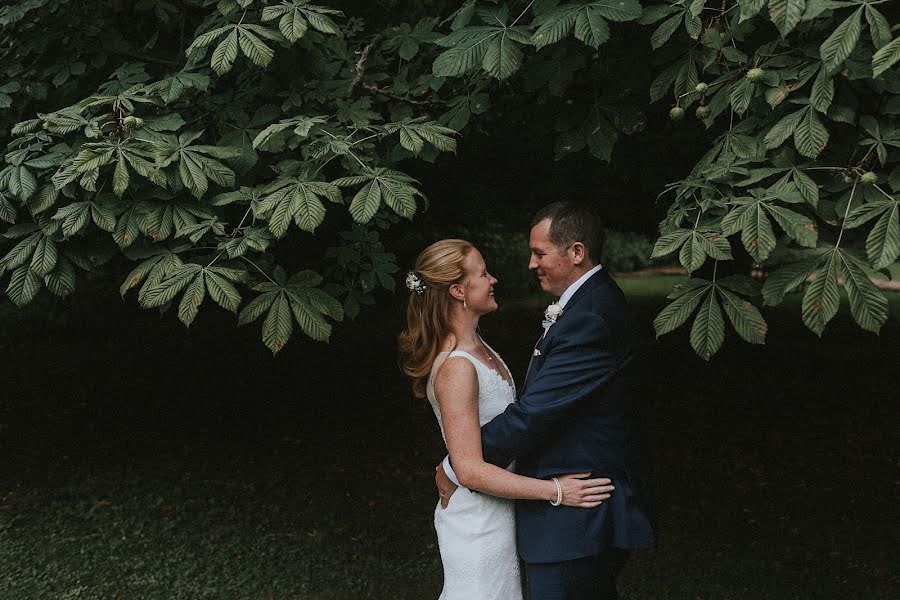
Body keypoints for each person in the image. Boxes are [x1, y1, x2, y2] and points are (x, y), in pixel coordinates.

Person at [437, 203, 655, 600]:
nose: (529, 264)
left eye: (540, 253)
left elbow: (534, 413)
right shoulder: (586, 305)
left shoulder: (591, 316)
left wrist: (457, 466)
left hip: (576, 513)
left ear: (576, 251)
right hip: (551, 506)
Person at [399, 238, 616, 600]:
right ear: (458, 291)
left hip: (499, 513)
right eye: (483, 274)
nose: (493, 279)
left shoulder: (478, 349)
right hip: (477, 522)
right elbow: (469, 471)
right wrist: (558, 492)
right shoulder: (456, 367)